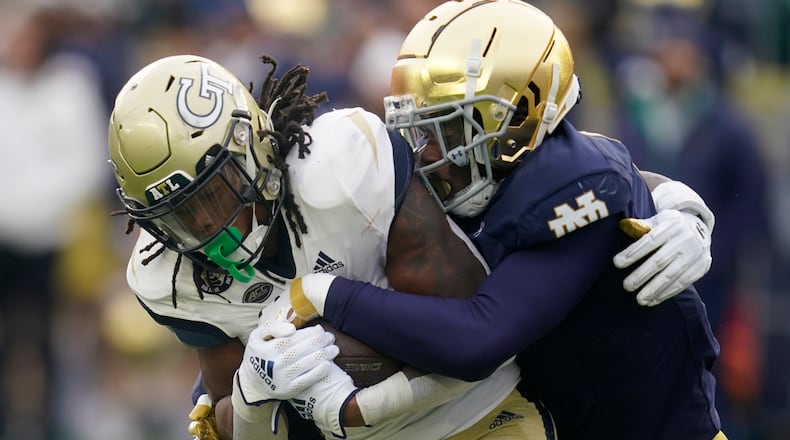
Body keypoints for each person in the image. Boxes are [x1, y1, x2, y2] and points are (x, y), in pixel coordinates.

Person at [285, 1, 725, 439]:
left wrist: (326, 295)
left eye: (450, 129)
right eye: (422, 129)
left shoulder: (570, 185)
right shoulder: (494, 176)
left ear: (518, 117)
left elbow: (477, 340)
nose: (430, 154)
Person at [108, 53, 548, 440]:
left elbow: (478, 342)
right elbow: (237, 424)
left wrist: (356, 408)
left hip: (474, 419)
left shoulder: (340, 168)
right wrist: (251, 395)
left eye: (211, 194)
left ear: (251, 150)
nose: (204, 223)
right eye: (177, 216)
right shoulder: (167, 276)